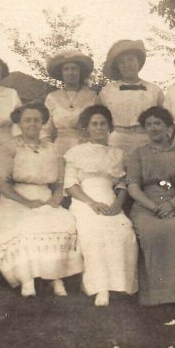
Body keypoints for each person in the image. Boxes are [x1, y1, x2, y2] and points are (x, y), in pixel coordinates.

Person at [0, 101, 83, 297]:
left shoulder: (52, 148)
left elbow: (60, 181)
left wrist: (56, 199)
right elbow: (1, 183)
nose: (32, 124)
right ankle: (27, 280)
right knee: (25, 226)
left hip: (45, 195)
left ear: (43, 123)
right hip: (15, 197)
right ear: (19, 123)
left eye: (37, 120)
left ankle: (55, 277)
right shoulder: (9, 146)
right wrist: (26, 202)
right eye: (27, 120)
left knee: (63, 223)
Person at [64, 105, 138, 306]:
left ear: (110, 127)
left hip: (110, 199)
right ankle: (100, 288)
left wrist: (118, 204)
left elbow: (123, 184)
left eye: (103, 123)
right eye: (94, 124)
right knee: (94, 231)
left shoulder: (118, 154)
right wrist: (91, 203)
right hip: (84, 200)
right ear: (87, 128)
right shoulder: (76, 152)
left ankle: (121, 285)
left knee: (122, 229)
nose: (99, 128)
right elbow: (70, 184)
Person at [127, 107, 175, 306]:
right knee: (151, 232)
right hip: (145, 205)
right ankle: (155, 297)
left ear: (168, 127)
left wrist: (171, 204)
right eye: (148, 124)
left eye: (157, 123)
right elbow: (133, 187)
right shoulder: (138, 155)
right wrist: (153, 207)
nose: (153, 128)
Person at [98, 39, 164, 158]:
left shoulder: (154, 90)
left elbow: (166, 121)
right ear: (117, 67)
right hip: (117, 140)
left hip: (147, 139)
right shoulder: (107, 91)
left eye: (131, 60)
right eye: (122, 62)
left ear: (138, 62)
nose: (127, 65)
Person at [41, 49, 99, 157]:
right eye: (66, 69)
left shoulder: (92, 96)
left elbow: (98, 124)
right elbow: (45, 128)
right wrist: (48, 148)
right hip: (60, 148)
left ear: (80, 72)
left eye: (74, 69)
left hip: (84, 146)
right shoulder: (52, 97)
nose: (70, 72)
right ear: (61, 73)